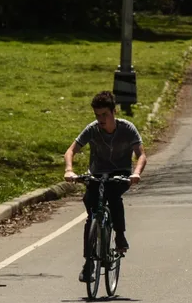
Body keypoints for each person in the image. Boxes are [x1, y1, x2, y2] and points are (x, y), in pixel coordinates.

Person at [63, 91, 147, 283]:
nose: (100, 119)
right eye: (97, 115)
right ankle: (89, 263)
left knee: (114, 197)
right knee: (91, 209)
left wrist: (136, 173)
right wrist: (69, 170)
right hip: (97, 174)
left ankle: (120, 236)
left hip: (121, 173)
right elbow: (71, 151)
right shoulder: (92, 129)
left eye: (104, 115)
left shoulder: (127, 128)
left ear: (113, 112)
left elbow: (141, 155)